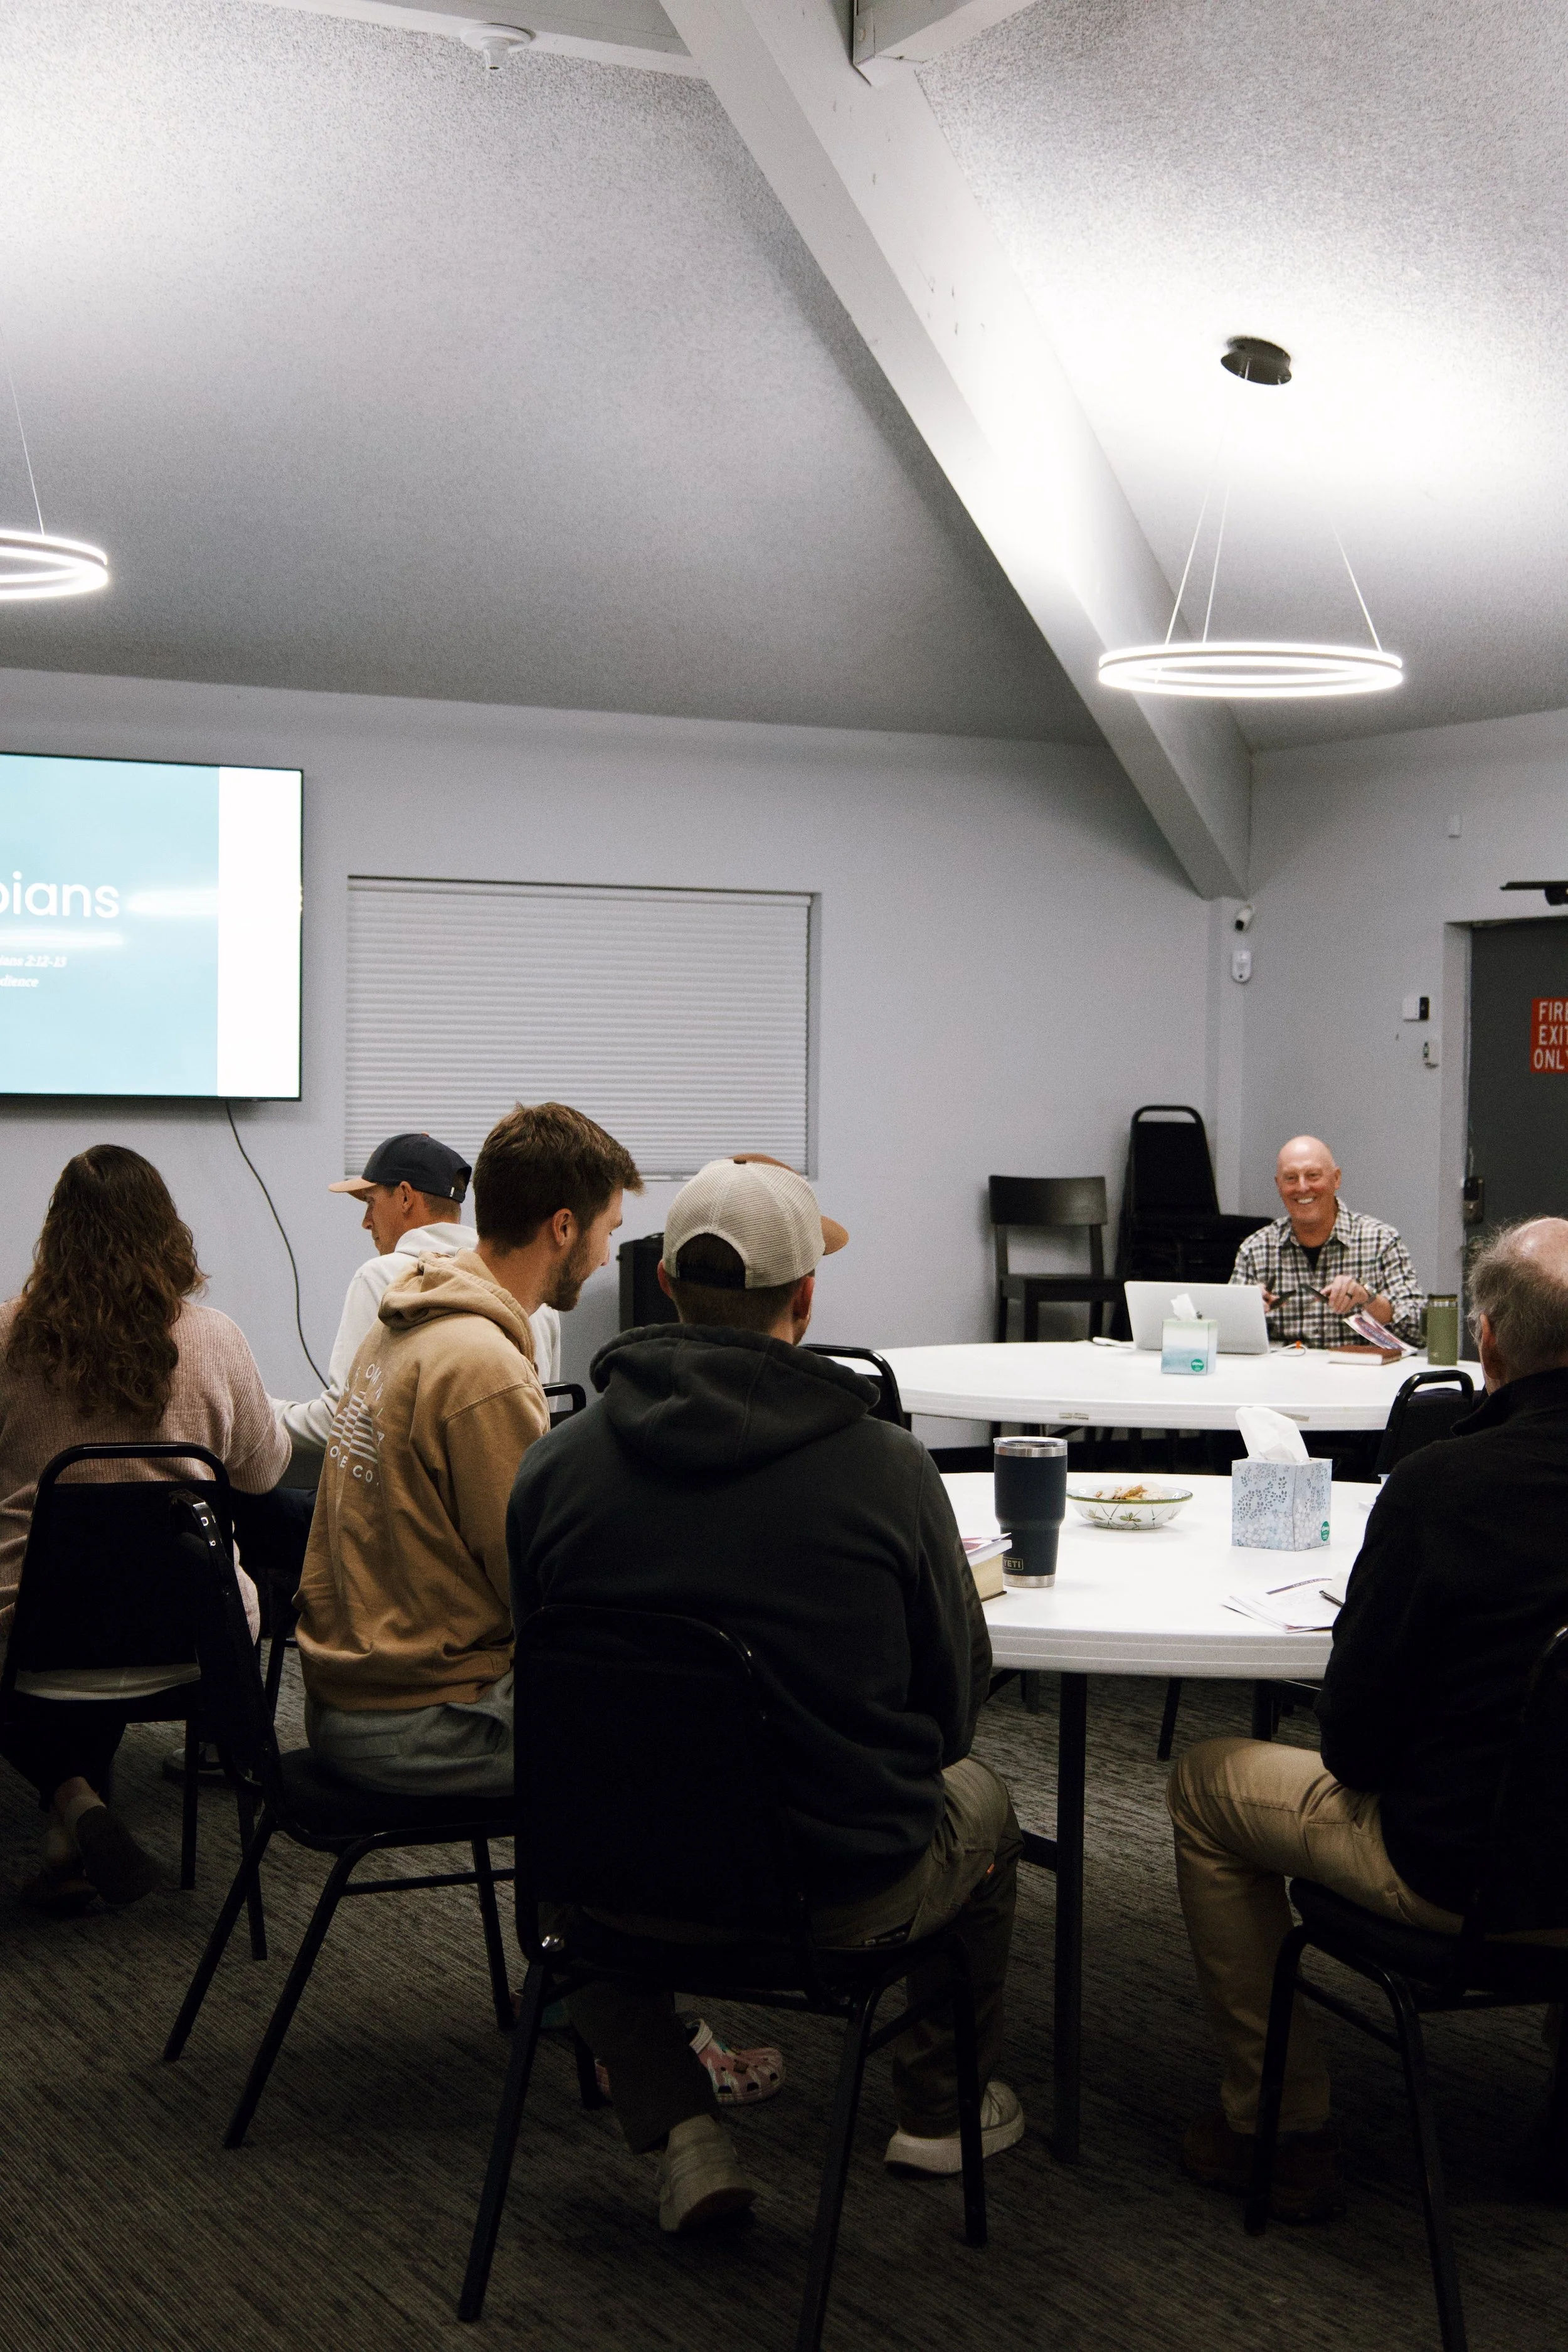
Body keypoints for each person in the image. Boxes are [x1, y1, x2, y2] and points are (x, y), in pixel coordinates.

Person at [506, 1154, 1023, 2234]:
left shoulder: (554, 1469)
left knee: (575, 1831)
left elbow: (551, 1694)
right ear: (805, 1299)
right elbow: (952, 1710)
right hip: (834, 1897)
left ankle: (680, 2131)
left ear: (666, 1291)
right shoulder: (888, 1470)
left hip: (618, 1886)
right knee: (986, 1803)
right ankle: (939, 2110)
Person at [1167, 1217, 1568, 2222]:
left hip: (1464, 1873)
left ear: (1487, 1345)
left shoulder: (1448, 1486)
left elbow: (1356, 1747)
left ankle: (1280, 2127)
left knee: (1207, 1781)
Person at [294, 1102, 638, 1796]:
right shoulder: (482, 1366)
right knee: (686, 1734)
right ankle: (582, 1909)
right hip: (423, 1722)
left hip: (350, 1695)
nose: (605, 1257)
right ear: (563, 1227)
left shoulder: (405, 1317)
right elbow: (534, 1589)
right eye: (607, 1232)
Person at [0, 1145, 289, 1911]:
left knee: (56, 1615)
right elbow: (262, 1475)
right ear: (169, 1233)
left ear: (56, 1235)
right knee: (124, 1596)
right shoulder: (216, 1339)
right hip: (192, 1643)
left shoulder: (6, 1340)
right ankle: (75, 1831)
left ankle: (74, 1806)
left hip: (34, 1643)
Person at [272, 1130, 561, 1464]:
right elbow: (545, 1430)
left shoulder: (382, 1278)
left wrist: (263, 1414)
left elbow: (343, 1424)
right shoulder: (536, 1299)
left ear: (406, 1197)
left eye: (371, 1202)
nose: (367, 1222)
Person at [1231, 1135, 1426, 1348]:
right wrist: (1244, 1310)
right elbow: (1224, 1337)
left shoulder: (1381, 1241)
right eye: (1291, 1179)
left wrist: (1367, 1297)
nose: (1303, 1187)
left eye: (1313, 1176)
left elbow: (1419, 1330)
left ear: (1336, 1179)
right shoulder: (1255, 1250)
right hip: (1281, 1377)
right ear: (1278, 1185)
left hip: (1359, 1377)